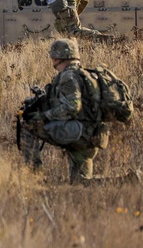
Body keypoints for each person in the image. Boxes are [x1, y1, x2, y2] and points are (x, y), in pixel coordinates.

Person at [20, 38, 104, 184]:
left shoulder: (68, 77)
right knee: (81, 183)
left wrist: (44, 116)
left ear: (57, 58)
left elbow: (72, 107)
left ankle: (33, 177)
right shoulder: (86, 75)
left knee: (29, 127)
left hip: (78, 133)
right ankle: (125, 181)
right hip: (93, 135)